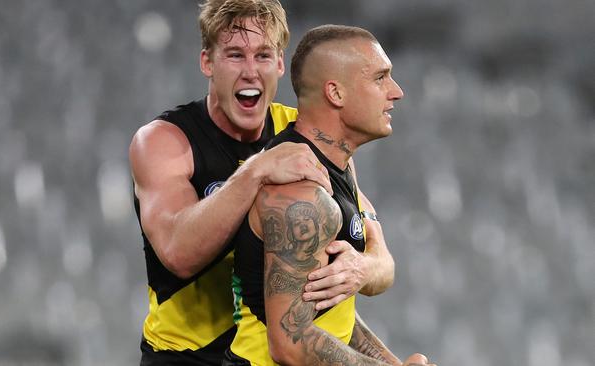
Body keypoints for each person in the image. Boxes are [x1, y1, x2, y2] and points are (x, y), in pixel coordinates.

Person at [129, 1, 396, 364]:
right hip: (182, 356)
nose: (251, 72)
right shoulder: (164, 142)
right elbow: (178, 254)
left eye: (264, 55)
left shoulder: (307, 134)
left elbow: (373, 247)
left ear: (281, 64)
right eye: (235, 55)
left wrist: (361, 270)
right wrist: (255, 172)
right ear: (208, 62)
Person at [223, 25, 435, 365]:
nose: (396, 92)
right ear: (335, 93)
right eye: (380, 78)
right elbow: (292, 342)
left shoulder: (336, 166)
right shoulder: (300, 194)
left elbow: (332, 317)